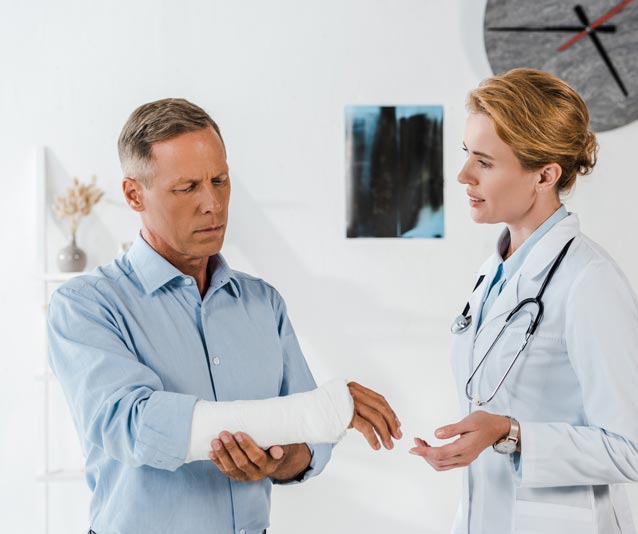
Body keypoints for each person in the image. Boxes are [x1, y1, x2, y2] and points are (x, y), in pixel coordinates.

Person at [47, 98, 401, 534]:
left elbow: (309, 444)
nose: (212, 203)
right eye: (187, 188)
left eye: (220, 181)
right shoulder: (86, 305)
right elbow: (134, 425)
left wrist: (277, 459)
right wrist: (323, 410)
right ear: (134, 194)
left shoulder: (262, 303)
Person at [410, 69, 638, 534]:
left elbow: (631, 452)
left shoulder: (590, 281)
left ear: (545, 175)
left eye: (484, 162)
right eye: (467, 153)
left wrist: (511, 433)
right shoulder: (495, 271)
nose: (463, 175)